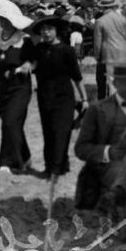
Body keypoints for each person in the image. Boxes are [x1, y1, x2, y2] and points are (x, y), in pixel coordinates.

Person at [73, 64, 126, 221]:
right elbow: (81, 148)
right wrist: (108, 152)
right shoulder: (97, 110)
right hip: (107, 171)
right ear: (116, 84)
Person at [31, 15, 87, 180]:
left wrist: (84, 99)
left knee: (61, 132)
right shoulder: (39, 49)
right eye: (43, 29)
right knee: (48, 132)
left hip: (63, 98)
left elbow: (77, 77)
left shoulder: (67, 51)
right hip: (44, 96)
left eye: (49, 29)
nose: (46, 33)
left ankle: (55, 169)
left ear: (56, 31)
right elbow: (32, 66)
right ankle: (54, 166)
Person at [0, 9, 36, 175]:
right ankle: (25, 155)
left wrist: (28, 65)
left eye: (7, 20)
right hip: (1, 87)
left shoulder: (24, 40)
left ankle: (6, 161)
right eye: (1, 19)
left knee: (10, 122)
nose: (4, 23)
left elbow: (34, 60)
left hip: (19, 87)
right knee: (13, 125)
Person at [92, 0, 126, 100]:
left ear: (102, 7)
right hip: (124, 53)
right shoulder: (122, 19)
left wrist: (97, 57)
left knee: (111, 81)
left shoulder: (100, 21)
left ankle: (115, 105)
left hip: (109, 54)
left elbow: (97, 43)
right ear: (113, 6)